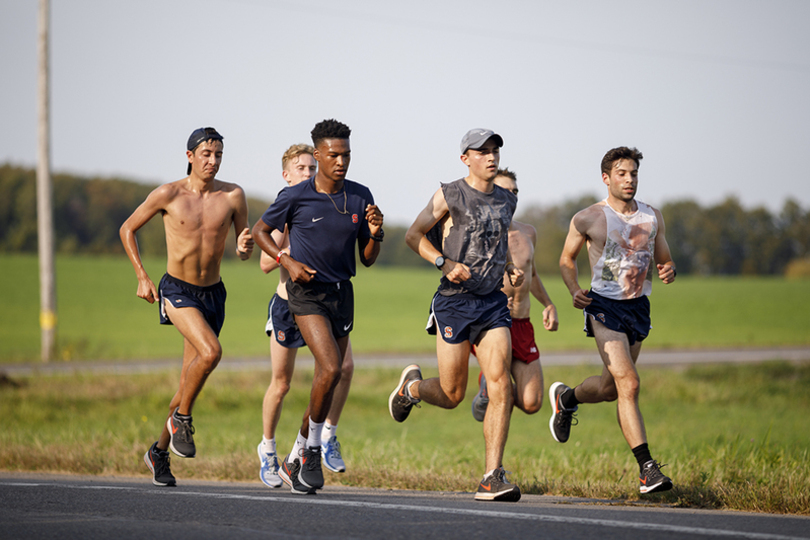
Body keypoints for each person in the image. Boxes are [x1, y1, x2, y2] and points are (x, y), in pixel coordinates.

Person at [390, 129, 524, 502]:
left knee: (501, 383)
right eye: (482, 151)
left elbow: (497, 241)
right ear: (466, 158)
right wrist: (443, 262)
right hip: (454, 300)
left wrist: (509, 266)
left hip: (493, 303)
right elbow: (414, 234)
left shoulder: (506, 200)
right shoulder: (450, 193)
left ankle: (491, 476)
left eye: (495, 150)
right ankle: (411, 388)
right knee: (452, 394)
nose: (491, 156)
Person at [252, 119, 383, 495]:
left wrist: (376, 233)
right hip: (305, 293)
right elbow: (261, 230)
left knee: (332, 377)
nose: (340, 161)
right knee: (330, 366)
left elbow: (369, 258)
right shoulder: (296, 196)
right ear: (318, 154)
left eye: (346, 155)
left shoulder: (360, 196)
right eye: (333, 155)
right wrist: (286, 261)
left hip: (342, 294)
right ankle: (311, 450)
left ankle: (295, 455)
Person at [119, 127, 254, 487]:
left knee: (184, 388)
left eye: (219, 155)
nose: (213, 160)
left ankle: (158, 453)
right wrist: (142, 276)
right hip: (177, 290)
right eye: (206, 154)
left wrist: (244, 248)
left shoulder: (233, 196)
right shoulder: (168, 193)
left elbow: (243, 248)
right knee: (211, 353)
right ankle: (182, 421)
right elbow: (127, 228)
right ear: (190, 155)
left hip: (213, 295)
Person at [554, 146, 676, 494]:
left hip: (637, 307)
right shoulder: (588, 217)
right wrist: (575, 288)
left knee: (611, 389)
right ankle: (647, 469)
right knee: (630, 383)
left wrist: (669, 270)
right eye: (622, 173)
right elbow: (566, 259)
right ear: (606, 178)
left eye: (634, 173)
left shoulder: (653, 217)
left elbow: (664, 258)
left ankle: (567, 398)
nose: (629, 179)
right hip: (603, 305)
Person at [257, 143, 355, 489]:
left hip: (324, 303)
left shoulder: (323, 203)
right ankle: (268, 448)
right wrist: (290, 252)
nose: (308, 173)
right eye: (301, 168)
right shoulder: (288, 206)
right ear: (286, 175)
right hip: (288, 305)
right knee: (281, 384)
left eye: (312, 168)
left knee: (340, 369)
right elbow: (265, 263)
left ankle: (324, 436)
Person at [470, 168, 558, 423]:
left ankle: (489, 389)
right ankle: (495, 460)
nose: (511, 197)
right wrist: (491, 299)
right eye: (504, 192)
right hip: (492, 322)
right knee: (502, 394)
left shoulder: (528, 232)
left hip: (522, 322)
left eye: (515, 192)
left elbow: (531, 274)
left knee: (532, 402)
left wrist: (549, 303)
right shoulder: (477, 233)